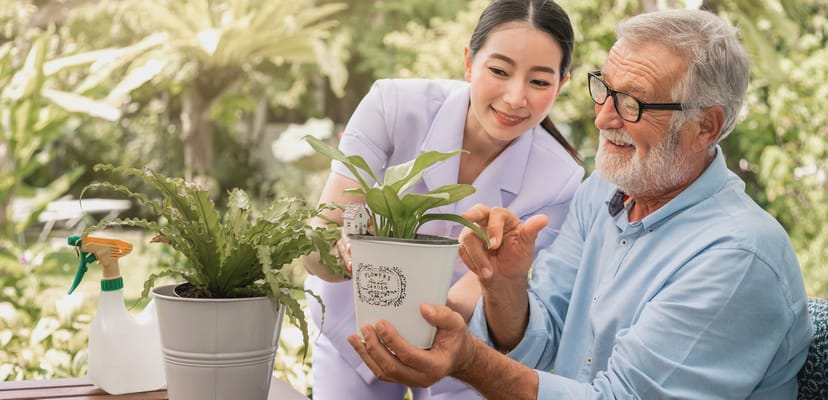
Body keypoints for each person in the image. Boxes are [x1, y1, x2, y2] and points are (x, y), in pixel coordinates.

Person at [347, 8, 814, 400]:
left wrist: (467, 360)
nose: (603, 117)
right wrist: (506, 284)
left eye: (632, 104)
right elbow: (541, 340)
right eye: (604, 89)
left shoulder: (736, 258)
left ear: (706, 127)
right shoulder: (604, 192)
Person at [300, 1, 585, 398]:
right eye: (499, 71)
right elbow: (322, 237)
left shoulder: (561, 180)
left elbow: (476, 295)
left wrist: (417, 326)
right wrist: (343, 253)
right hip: (352, 330)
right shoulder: (393, 106)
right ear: (469, 62)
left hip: (459, 350)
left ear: (562, 84)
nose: (515, 97)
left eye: (539, 82)